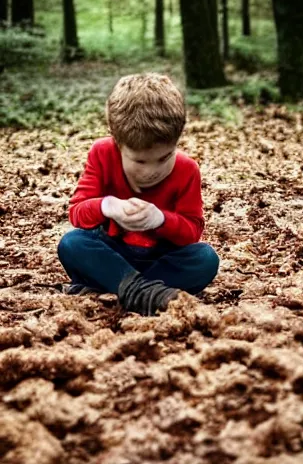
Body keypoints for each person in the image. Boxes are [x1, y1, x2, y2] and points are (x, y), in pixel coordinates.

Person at [57, 73, 219, 316]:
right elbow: (77, 213)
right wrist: (107, 206)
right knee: (72, 243)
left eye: (164, 158)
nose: (152, 171)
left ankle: (120, 289)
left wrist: (161, 220)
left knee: (205, 259)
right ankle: (147, 293)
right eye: (140, 161)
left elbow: (192, 231)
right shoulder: (102, 153)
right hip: (112, 252)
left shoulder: (187, 169)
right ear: (118, 143)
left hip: (160, 258)